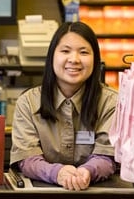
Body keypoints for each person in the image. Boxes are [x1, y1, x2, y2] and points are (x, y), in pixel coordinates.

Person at [10, 21, 118, 191]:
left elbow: (107, 156)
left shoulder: (111, 102)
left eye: (83, 52)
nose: (74, 59)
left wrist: (86, 172)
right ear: (52, 56)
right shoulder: (28, 103)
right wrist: (58, 173)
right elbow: (27, 159)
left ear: (95, 59)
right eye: (65, 51)